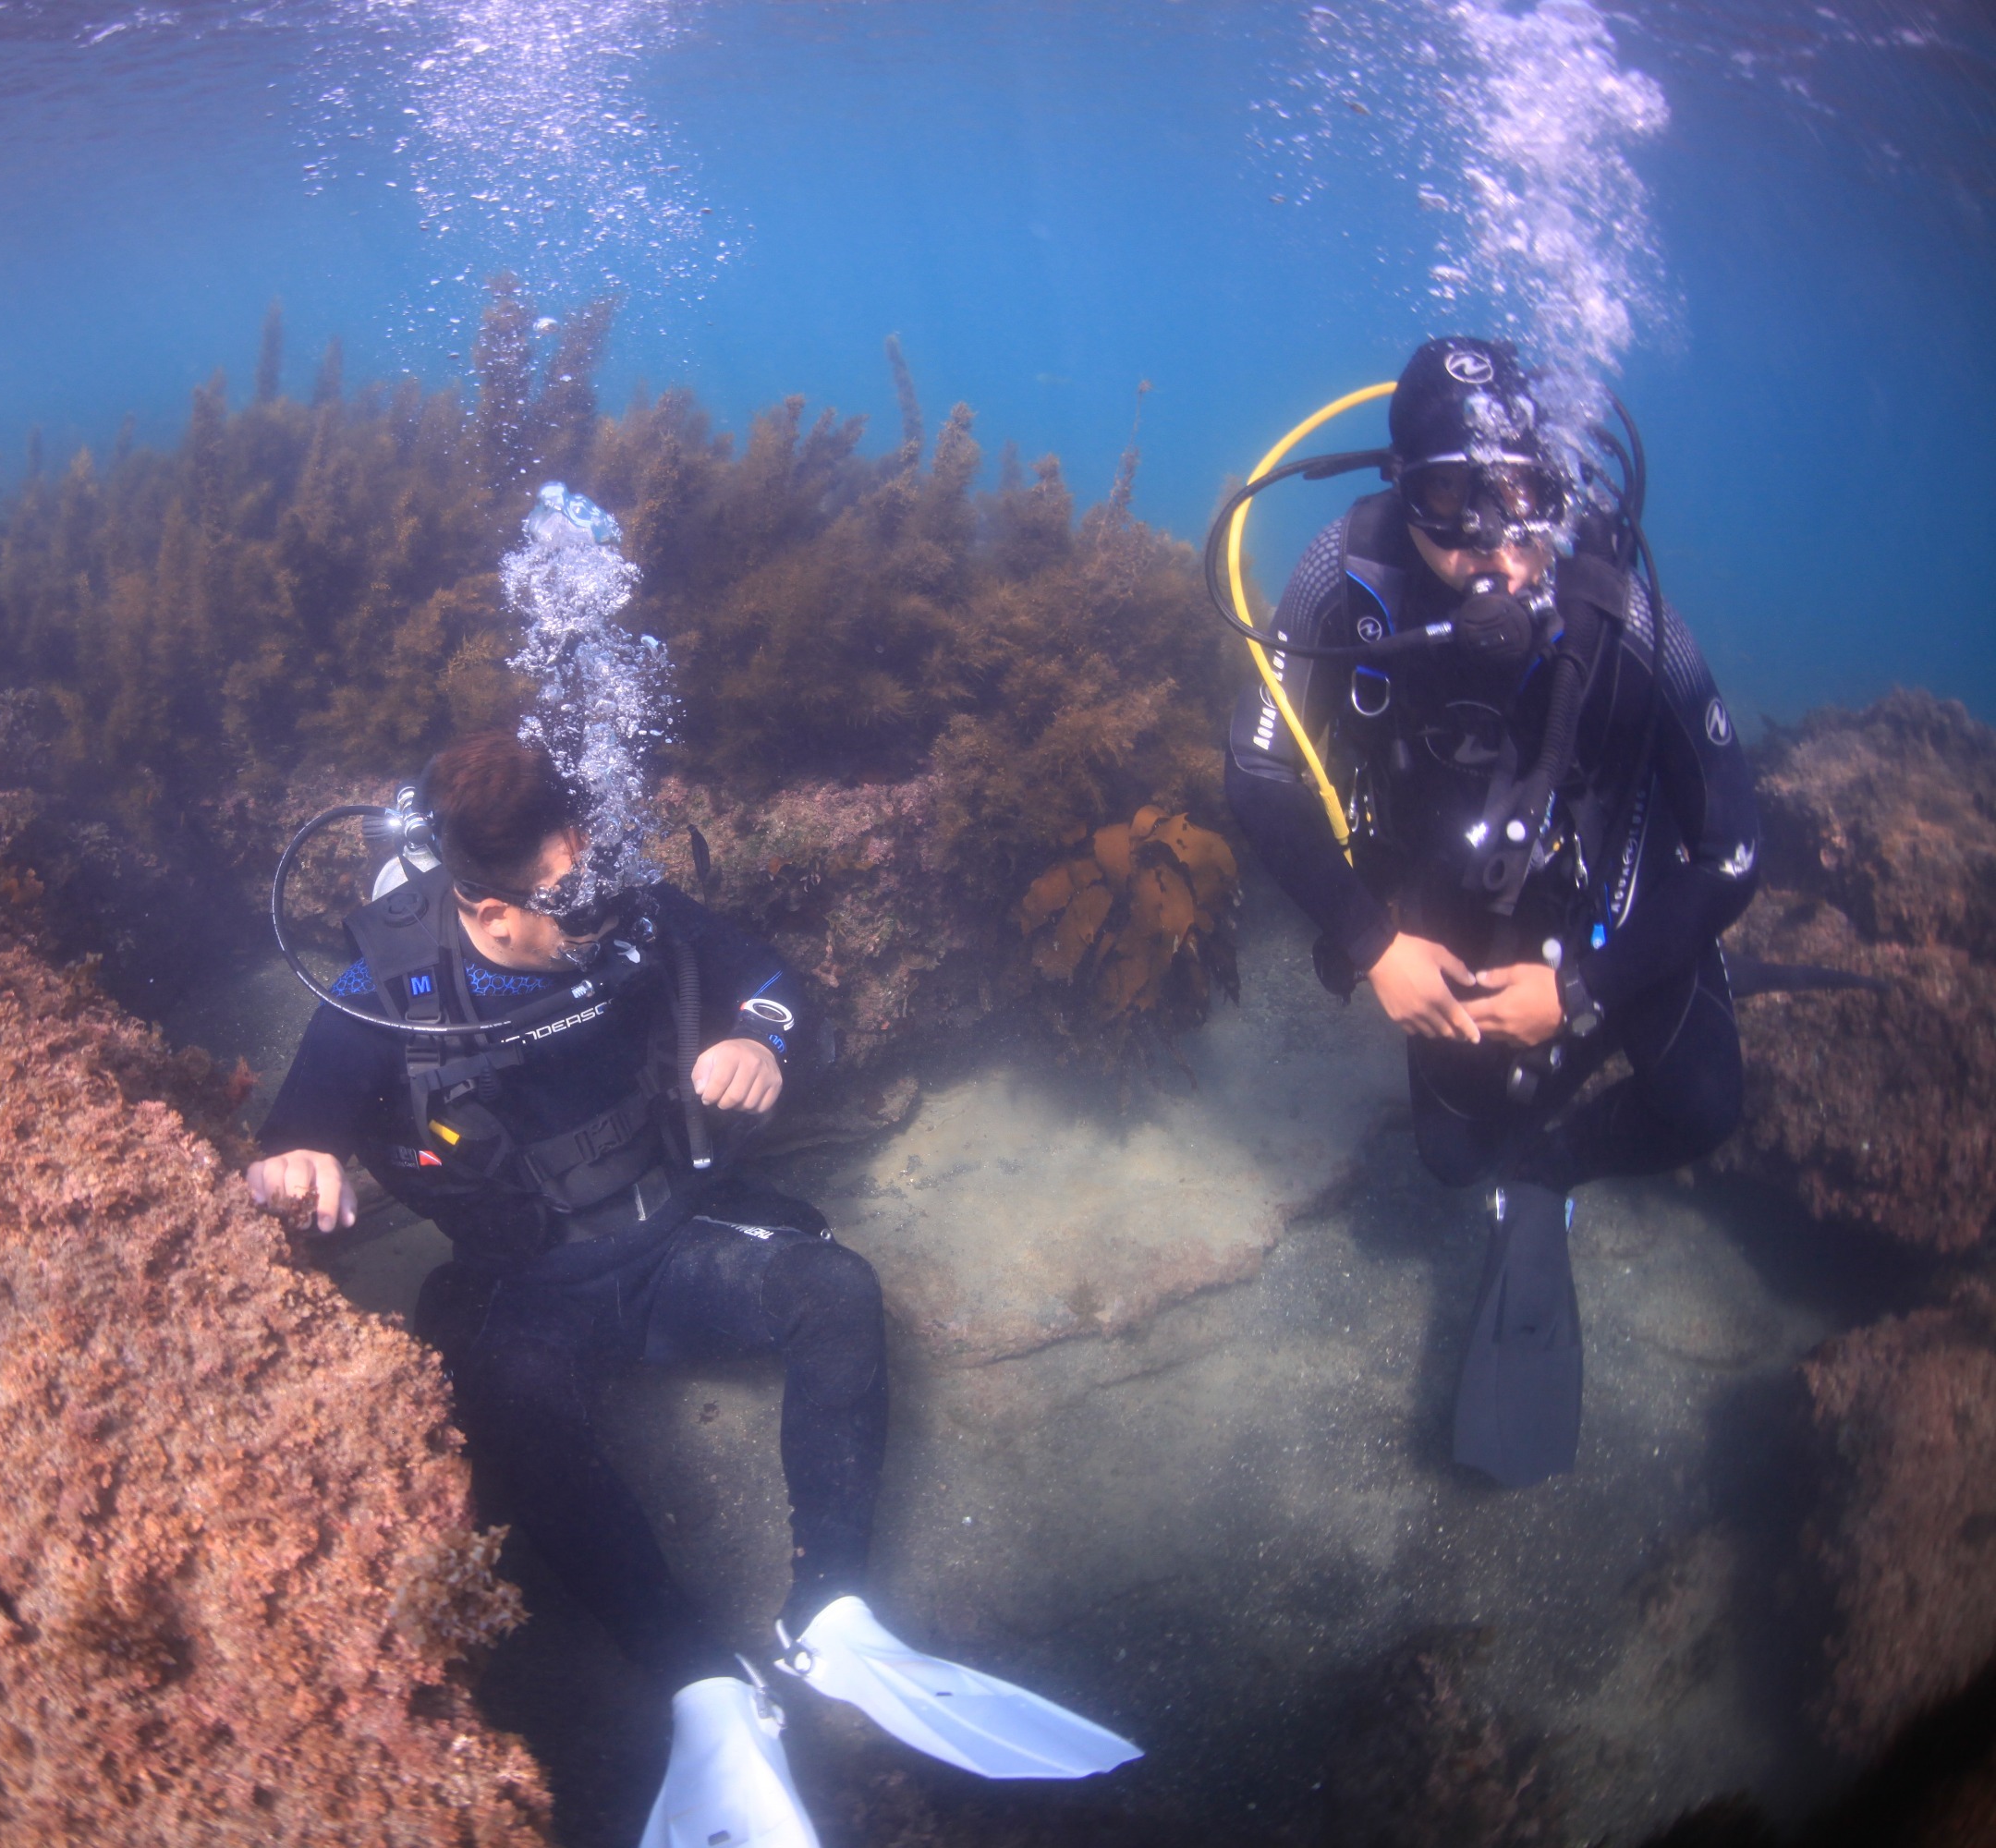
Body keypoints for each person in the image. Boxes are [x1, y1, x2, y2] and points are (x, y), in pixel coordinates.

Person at [248, 730, 1138, 1846]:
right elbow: (295, 1130)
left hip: (673, 1240)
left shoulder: (630, 906)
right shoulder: (386, 993)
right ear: (488, 915)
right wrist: (299, 1161)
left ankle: (833, 1615)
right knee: (504, 1411)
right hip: (532, 1281)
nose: (611, 920)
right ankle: (699, 1682)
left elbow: (767, 978)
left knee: (835, 1287)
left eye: (607, 880)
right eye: (575, 904)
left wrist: (764, 1039)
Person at [1224, 336, 1759, 1489]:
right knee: (1454, 1155)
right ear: (1396, 488)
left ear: (1561, 490)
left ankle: (1558, 1161)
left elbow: (1735, 848)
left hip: (1606, 897)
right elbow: (1257, 776)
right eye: (1447, 501)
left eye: (1524, 499)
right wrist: (1375, 944)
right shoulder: (1342, 576)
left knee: (1705, 1101)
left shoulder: (1628, 618)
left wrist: (1584, 990)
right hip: (1443, 906)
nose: (1491, 550)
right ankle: (1521, 1141)